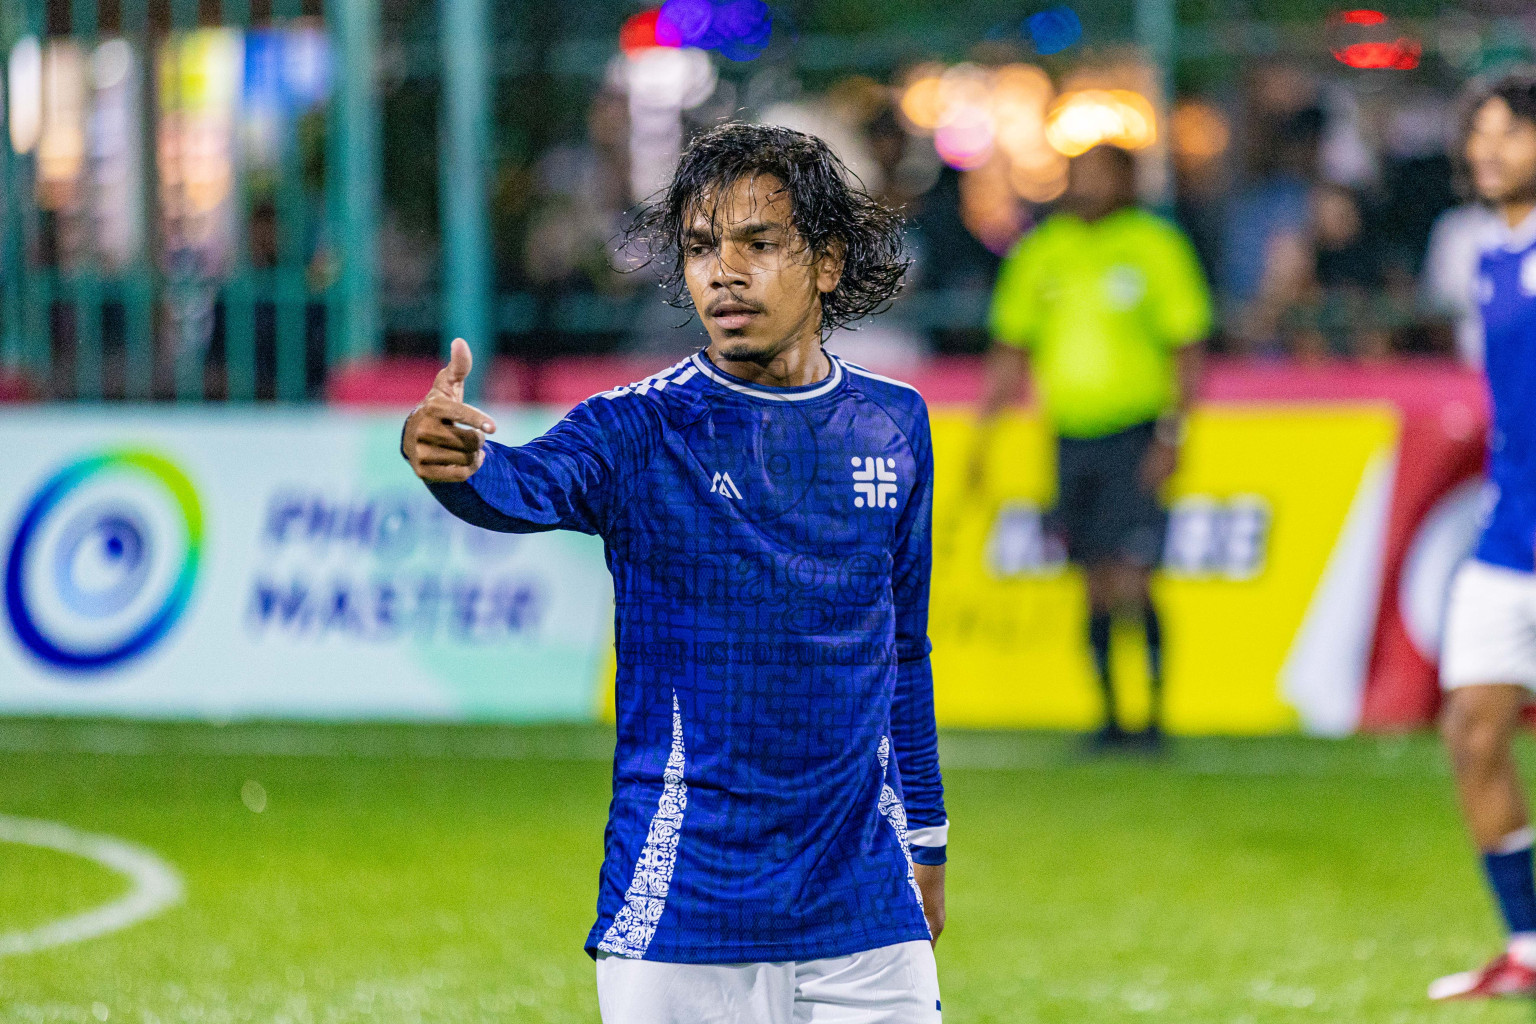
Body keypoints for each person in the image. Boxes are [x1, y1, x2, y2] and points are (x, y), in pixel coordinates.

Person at [401, 123, 947, 1022]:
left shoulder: (894, 422)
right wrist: (450, 462)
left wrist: (926, 836)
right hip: (687, 904)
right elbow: (522, 483)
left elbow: (907, 652)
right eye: (700, 249)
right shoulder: (640, 428)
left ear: (827, 263)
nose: (723, 273)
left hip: (865, 898)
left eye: (758, 244)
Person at [970, 144, 1211, 750]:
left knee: (1135, 576)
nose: (1086, 185)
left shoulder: (1156, 246)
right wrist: (985, 434)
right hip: (1069, 438)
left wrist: (1174, 433)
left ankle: (1153, 718)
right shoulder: (1042, 252)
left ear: (1129, 181)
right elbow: (1011, 348)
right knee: (1091, 581)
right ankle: (1107, 718)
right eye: (1079, 173)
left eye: (1101, 173)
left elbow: (1186, 347)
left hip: (1135, 435)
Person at [1429, 74, 1536, 1002]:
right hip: (1509, 535)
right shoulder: (1489, 255)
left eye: (1508, 133)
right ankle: (1527, 947)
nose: (1487, 150)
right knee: (1473, 732)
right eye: (1479, 136)